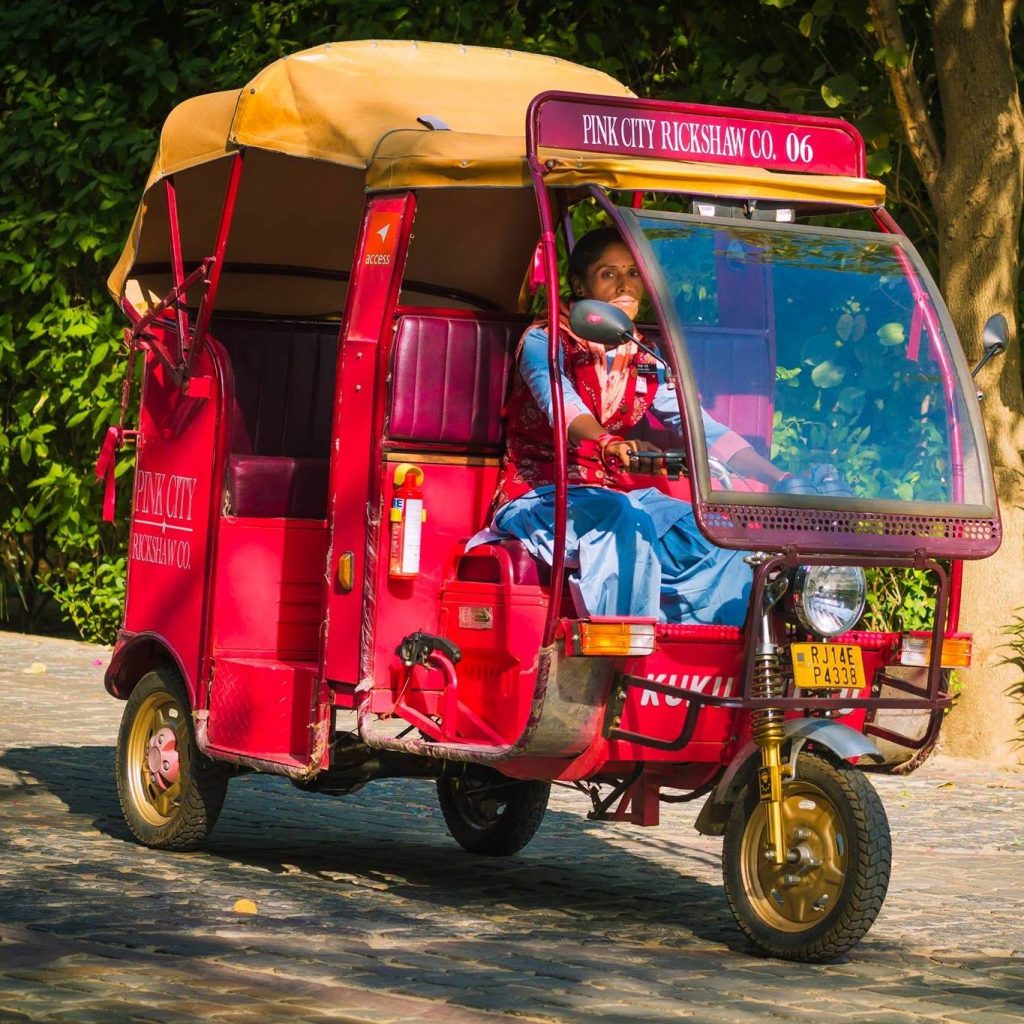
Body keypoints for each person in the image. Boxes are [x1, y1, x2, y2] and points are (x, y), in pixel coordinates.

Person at [473, 226, 786, 626]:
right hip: (541, 496)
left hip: (609, 498)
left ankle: (701, 649)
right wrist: (607, 443)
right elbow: (564, 410)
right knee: (623, 514)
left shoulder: (639, 353)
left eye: (633, 273)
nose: (625, 284)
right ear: (579, 284)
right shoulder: (544, 341)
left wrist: (779, 478)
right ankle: (625, 651)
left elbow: (701, 428)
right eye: (608, 274)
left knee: (716, 532)